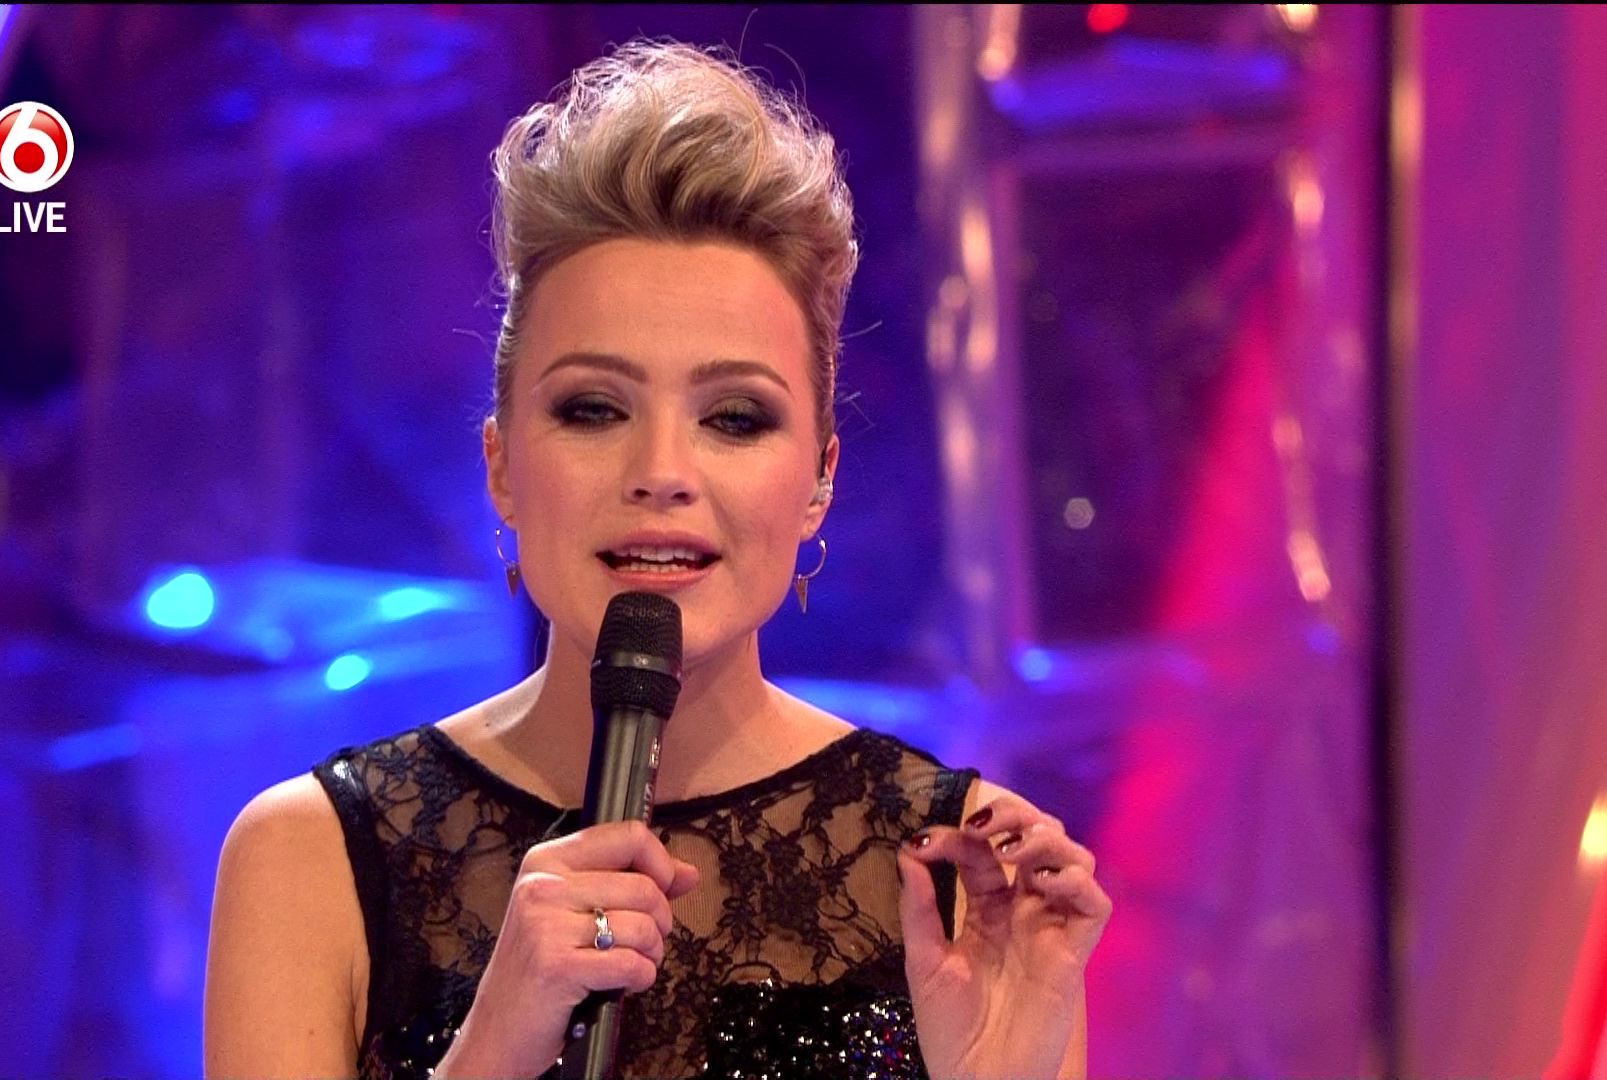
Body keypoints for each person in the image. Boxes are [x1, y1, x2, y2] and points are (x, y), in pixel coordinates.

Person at [203, 40, 1111, 1080]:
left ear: (819, 479)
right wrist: (493, 1046)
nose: (662, 473)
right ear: (501, 465)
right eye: (594, 409)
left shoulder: (967, 876)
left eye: (735, 417)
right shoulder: (311, 857)